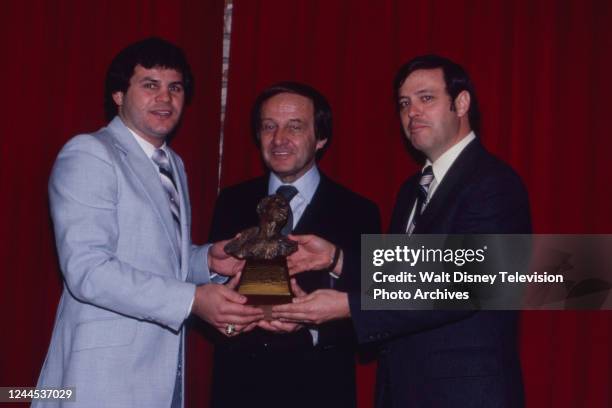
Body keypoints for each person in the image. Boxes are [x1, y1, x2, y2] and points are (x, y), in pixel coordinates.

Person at [273, 55, 531, 407]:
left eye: (426, 98)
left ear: (461, 103)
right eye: (404, 103)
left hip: (465, 395)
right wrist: (337, 259)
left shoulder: (493, 183)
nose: (413, 113)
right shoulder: (412, 190)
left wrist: (350, 305)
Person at [35, 37, 263, 408]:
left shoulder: (174, 165)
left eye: (175, 88)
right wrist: (192, 300)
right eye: (150, 85)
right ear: (119, 95)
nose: (165, 98)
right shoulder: (90, 153)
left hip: (161, 373)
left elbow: (156, 260)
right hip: (101, 377)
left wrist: (206, 261)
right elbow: (88, 270)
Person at [207, 82, 381, 408]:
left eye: (295, 126)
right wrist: (233, 321)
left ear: (321, 138)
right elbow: (210, 295)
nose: (279, 139)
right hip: (238, 388)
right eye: (269, 127)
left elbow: (376, 307)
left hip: (320, 389)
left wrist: (312, 326)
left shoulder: (359, 211)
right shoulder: (231, 201)